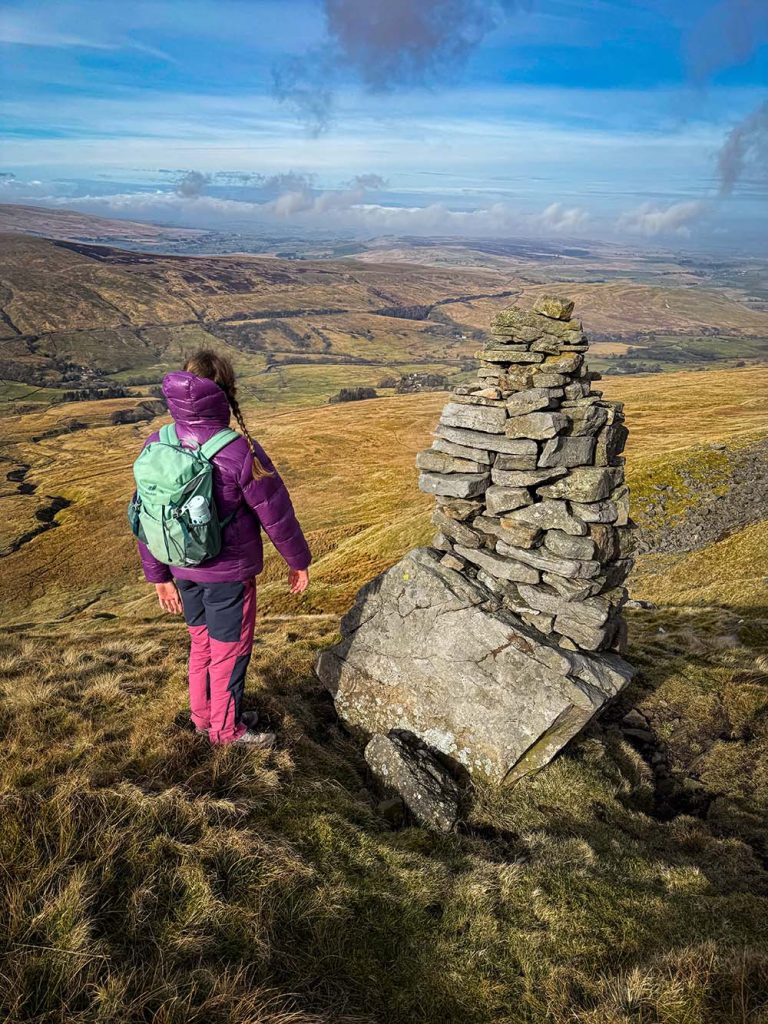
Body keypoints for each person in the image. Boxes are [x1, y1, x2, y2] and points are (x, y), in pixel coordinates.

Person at [135, 349, 311, 747]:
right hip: (228, 575)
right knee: (229, 651)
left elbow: (147, 514)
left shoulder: (157, 442)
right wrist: (298, 562)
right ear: (225, 393)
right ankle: (227, 732)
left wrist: (159, 577)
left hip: (181, 569)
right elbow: (276, 514)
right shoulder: (238, 450)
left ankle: (205, 718)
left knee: (201, 644)